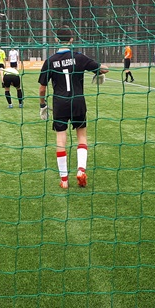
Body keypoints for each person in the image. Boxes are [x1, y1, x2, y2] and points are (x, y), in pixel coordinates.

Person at [38, 26, 109, 189]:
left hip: (60, 103)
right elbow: (104, 68)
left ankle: (64, 180)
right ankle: (80, 170)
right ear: (72, 39)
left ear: (56, 40)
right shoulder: (79, 57)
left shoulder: (50, 61)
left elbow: (42, 88)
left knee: (60, 139)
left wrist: (42, 105)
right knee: (82, 137)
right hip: (78, 102)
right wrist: (100, 73)